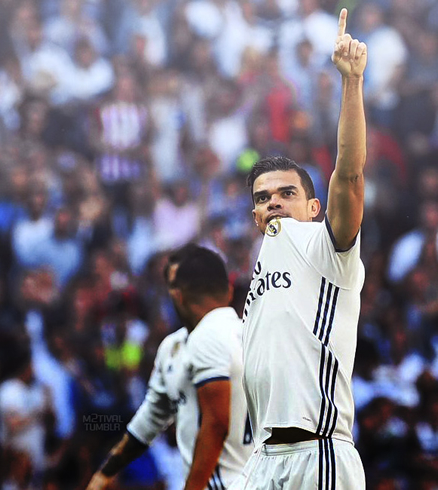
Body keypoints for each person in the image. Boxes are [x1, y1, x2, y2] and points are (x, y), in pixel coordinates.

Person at [231, 9, 367, 489]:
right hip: (265, 456)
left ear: (313, 207)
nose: (273, 203)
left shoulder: (323, 245)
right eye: (263, 198)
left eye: (286, 193)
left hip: (318, 453)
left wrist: (351, 83)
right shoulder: (262, 264)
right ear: (254, 217)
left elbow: (349, 176)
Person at [86, 244, 252, 490]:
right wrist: (105, 473)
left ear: (178, 295)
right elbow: (150, 418)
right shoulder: (246, 336)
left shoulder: (208, 336)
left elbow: (216, 423)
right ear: (227, 291)